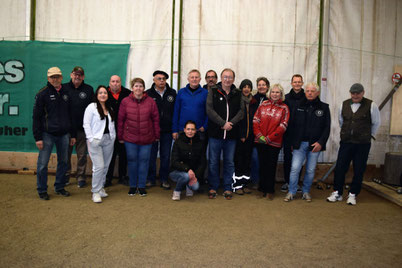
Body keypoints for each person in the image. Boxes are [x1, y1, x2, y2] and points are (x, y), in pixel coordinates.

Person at [327, 83, 380, 205]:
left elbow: (376, 123)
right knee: (340, 168)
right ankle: (337, 192)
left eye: (358, 93)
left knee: (359, 169)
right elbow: (341, 121)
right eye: (353, 93)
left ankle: (353, 194)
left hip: (362, 144)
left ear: (363, 93)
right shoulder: (343, 104)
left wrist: (367, 135)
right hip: (346, 142)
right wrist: (347, 133)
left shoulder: (371, 105)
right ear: (350, 93)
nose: (355, 95)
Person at [32, 67, 76, 200]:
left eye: (57, 76)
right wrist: (38, 137)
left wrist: (72, 134)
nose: (55, 79)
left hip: (64, 135)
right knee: (42, 164)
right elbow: (36, 117)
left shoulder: (67, 92)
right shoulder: (42, 94)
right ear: (48, 78)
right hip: (47, 135)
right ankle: (42, 190)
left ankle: (60, 187)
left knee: (63, 162)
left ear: (62, 78)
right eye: (52, 77)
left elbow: (71, 115)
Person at [284, 82, 331, 202]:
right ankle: (292, 191)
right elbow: (292, 125)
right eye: (308, 91)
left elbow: (327, 127)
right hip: (299, 144)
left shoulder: (324, 108)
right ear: (305, 92)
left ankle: (306, 192)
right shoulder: (298, 106)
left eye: (313, 91)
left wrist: (320, 143)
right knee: (295, 168)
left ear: (317, 93)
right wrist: (292, 143)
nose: (310, 93)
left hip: (315, 145)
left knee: (310, 170)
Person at [118, 78, 160, 197]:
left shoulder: (151, 102)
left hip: (147, 138)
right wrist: (120, 136)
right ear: (132, 88)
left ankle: (141, 186)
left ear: (143, 88)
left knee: (144, 162)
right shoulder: (125, 102)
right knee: (132, 161)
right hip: (130, 138)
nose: (138, 88)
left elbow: (156, 120)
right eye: (136, 86)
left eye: (140, 86)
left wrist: (156, 135)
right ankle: (132, 186)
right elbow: (121, 120)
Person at [206, 68, 244, 200]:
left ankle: (228, 187)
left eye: (230, 77)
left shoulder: (238, 93)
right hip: (215, 134)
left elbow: (241, 111)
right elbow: (209, 109)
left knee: (229, 162)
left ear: (233, 79)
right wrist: (222, 123)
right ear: (221, 78)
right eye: (225, 77)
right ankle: (213, 186)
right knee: (213, 162)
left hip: (231, 135)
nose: (227, 79)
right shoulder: (213, 91)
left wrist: (231, 123)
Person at [253, 84, 289, 200]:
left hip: (274, 143)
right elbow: (255, 120)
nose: (275, 94)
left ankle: (270, 190)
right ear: (270, 93)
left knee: (271, 166)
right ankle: (261, 189)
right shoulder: (263, 105)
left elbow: (283, 126)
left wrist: (269, 138)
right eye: (273, 92)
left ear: (281, 94)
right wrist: (259, 135)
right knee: (262, 165)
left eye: (277, 92)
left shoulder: (284, 108)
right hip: (261, 141)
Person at [83, 86, 116, 203]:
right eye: (100, 93)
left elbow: (111, 125)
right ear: (97, 95)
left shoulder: (109, 107)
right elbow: (86, 124)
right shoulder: (91, 107)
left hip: (109, 140)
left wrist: (113, 137)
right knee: (99, 166)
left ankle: (101, 187)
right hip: (96, 140)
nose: (103, 95)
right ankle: (95, 191)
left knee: (106, 165)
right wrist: (91, 139)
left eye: (105, 93)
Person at [63, 66, 94, 188]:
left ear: (83, 77)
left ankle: (81, 176)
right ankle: (65, 175)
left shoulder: (88, 89)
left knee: (81, 155)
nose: (77, 77)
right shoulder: (63, 88)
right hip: (66, 128)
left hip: (82, 129)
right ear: (71, 75)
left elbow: (92, 109)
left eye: (80, 75)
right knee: (65, 154)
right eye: (75, 74)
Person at [146, 70, 176, 190]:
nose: (162, 81)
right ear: (154, 80)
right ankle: (150, 179)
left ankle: (164, 179)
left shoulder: (172, 93)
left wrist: (174, 129)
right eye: (159, 78)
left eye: (164, 79)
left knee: (166, 156)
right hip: (152, 131)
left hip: (167, 131)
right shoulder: (148, 94)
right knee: (151, 156)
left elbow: (175, 112)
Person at [232, 79, 258, 194]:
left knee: (247, 161)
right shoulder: (237, 100)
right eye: (244, 87)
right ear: (241, 88)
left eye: (248, 87)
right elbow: (236, 120)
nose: (246, 89)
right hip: (238, 137)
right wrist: (241, 134)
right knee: (238, 160)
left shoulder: (254, 102)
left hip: (250, 137)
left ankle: (245, 183)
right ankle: (237, 185)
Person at [170, 120, 206, 201]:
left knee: (195, 187)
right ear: (184, 130)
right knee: (186, 176)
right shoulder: (178, 142)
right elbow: (174, 161)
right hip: (176, 171)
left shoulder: (200, 143)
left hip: (192, 173)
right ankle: (177, 191)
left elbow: (203, 163)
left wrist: (195, 176)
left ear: (196, 131)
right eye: (188, 129)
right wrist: (187, 169)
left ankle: (187, 185)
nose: (190, 131)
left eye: (192, 129)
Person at [105, 75, 131, 186]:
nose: (115, 83)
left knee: (123, 155)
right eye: (113, 81)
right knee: (109, 155)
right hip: (107, 130)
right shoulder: (103, 93)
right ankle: (108, 178)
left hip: (124, 130)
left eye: (117, 81)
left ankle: (122, 176)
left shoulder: (127, 93)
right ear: (110, 83)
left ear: (120, 82)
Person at [282, 74, 305, 192]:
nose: (297, 84)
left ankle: (296, 183)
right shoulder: (285, 98)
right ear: (291, 83)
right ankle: (287, 182)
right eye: (295, 82)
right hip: (287, 134)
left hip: (301, 135)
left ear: (302, 83)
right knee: (287, 158)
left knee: (299, 159)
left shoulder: (307, 98)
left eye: (299, 82)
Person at [172, 69, 208, 142]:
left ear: (200, 79)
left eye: (196, 77)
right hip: (182, 130)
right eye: (192, 77)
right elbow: (176, 111)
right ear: (188, 79)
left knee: (199, 153)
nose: (194, 79)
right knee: (181, 152)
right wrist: (174, 129)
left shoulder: (205, 93)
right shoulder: (181, 92)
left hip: (199, 130)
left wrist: (205, 126)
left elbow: (209, 112)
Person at [249, 77, 270, 188]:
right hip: (253, 135)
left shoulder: (270, 100)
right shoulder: (252, 99)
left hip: (266, 136)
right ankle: (255, 181)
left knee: (265, 160)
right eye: (259, 85)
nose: (261, 86)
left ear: (267, 87)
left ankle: (264, 181)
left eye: (264, 85)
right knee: (255, 159)